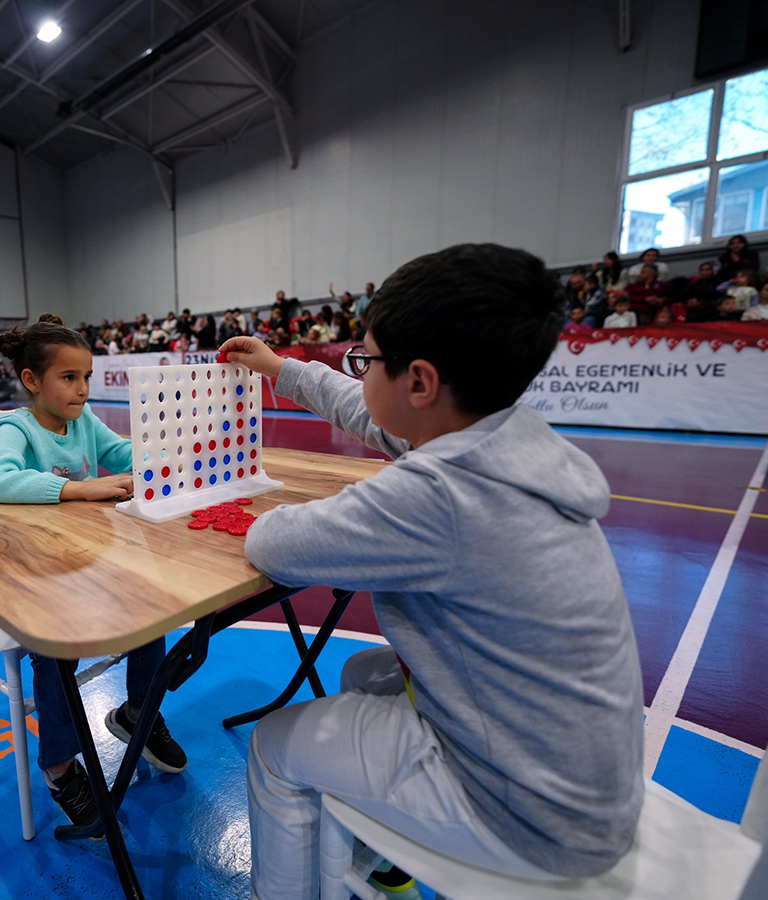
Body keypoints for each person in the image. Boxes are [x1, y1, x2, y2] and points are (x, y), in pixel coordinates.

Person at [219, 243, 643, 900]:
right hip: (580, 779)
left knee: (275, 748)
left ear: (419, 382)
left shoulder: (440, 494)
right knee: (366, 674)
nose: (359, 375)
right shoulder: (500, 439)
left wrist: (307, 509)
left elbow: (275, 545)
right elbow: (372, 414)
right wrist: (282, 369)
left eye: (365, 361)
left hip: (529, 817)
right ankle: (387, 855)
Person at [0, 314, 188, 829]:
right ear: (32, 380)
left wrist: (169, 453)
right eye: (69, 377)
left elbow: (122, 452)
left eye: (87, 377)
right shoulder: (15, 428)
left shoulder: (84, 421)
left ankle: (138, 713)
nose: (82, 389)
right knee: (54, 651)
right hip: (33, 576)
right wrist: (78, 488)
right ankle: (59, 767)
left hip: (87, 565)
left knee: (153, 605)